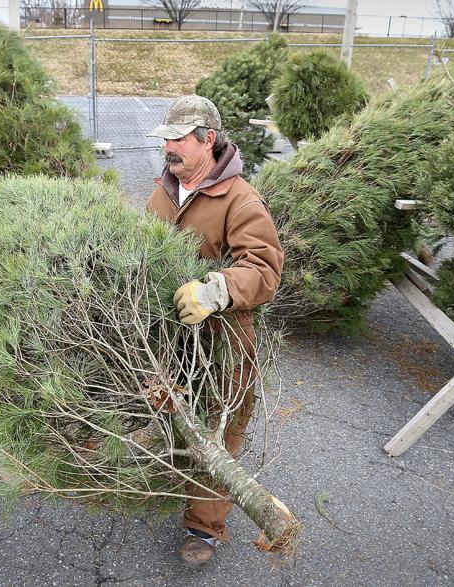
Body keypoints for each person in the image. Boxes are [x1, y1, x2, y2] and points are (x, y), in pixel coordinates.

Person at [145, 95, 284, 568]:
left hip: (223, 341)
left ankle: (204, 528)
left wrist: (218, 289)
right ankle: (160, 485)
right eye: (166, 139)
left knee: (221, 429)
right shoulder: (163, 191)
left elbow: (264, 267)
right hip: (169, 336)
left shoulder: (240, 198)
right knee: (167, 410)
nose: (170, 148)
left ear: (208, 139)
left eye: (179, 139)